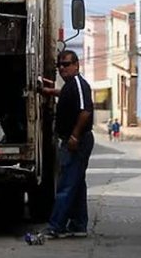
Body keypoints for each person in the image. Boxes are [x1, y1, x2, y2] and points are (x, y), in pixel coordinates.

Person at [37, 50, 94, 239]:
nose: (62, 68)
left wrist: (75, 136)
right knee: (76, 184)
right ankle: (78, 224)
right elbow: (68, 96)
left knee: (66, 185)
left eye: (66, 64)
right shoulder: (71, 86)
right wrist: (51, 91)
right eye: (59, 65)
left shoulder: (78, 83)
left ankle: (56, 226)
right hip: (74, 140)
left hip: (77, 142)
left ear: (76, 65)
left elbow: (85, 111)